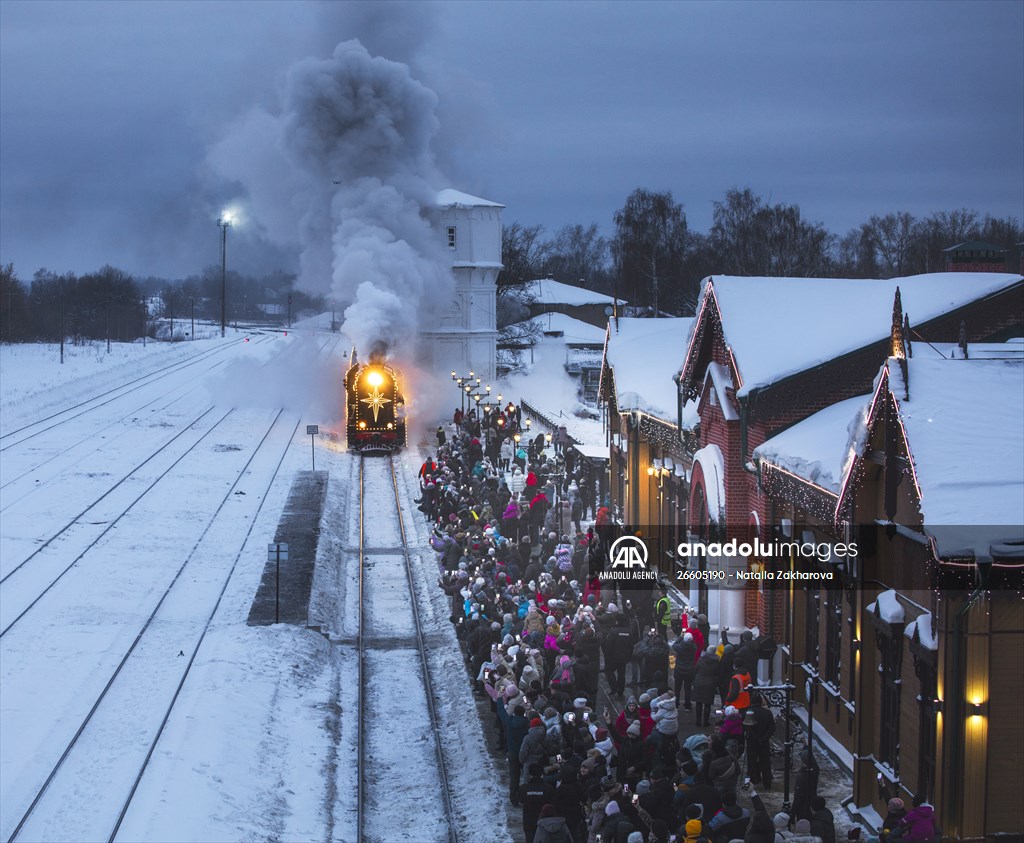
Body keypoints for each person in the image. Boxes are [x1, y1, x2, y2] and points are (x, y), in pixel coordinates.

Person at [519, 764, 557, 843]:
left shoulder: (523, 788)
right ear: (542, 774)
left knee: (529, 839)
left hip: (528, 820)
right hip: (544, 820)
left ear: (529, 774)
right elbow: (553, 803)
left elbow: (520, 800)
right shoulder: (549, 788)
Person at [744, 695, 775, 789]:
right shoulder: (768, 713)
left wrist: (756, 738)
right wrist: (764, 738)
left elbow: (748, 728)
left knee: (751, 762)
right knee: (765, 763)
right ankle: (767, 783)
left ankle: (753, 781)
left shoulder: (750, 712)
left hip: (752, 742)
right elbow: (772, 728)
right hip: (764, 742)